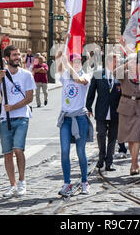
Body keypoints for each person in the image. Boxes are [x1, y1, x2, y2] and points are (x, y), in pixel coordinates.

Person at [0, 45, 35, 198]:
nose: (18, 57)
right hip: (5, 118)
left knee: (18, 149)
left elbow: (29, 98)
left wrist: (13, 107)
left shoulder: (26, 75)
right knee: (7, 153)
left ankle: (22, 181)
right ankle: (12, 185)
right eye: (14, 55)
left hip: (22, 116)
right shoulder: (1, 75)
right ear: (6, 58)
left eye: (19, 55)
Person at [56, 45, 94, 196]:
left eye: (78, 61)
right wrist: (62, 45)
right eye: (74, 61)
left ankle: (85, 181)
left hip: (80, 118)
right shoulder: (64, 75)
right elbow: (58, 59)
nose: (76, 64)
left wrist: (67, 64)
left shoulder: (86, 76)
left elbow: (79, 80)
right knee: (65, 151)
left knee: (80, 151)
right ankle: (67, 183)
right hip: (66, 118)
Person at [114, 53, 140, 176]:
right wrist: (126, 63)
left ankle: (134, 164)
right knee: (130, 138)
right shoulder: (124, 75)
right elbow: (115, 72)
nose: (135, 65)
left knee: (135, 137)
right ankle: (134, 161)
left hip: (139, 109)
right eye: (134, 63)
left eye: (137, 63)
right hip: (125, 107)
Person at [86, 53, 121, 171]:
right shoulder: (98, 74)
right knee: (101, 135)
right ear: (109, 62)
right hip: (101, 110)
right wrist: (88, 107)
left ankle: (109, 162)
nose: (118, 64)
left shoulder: (120, 75)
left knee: (113, 137)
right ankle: (101, 158)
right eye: (116, 62)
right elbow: (91, 92)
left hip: (116, 111)